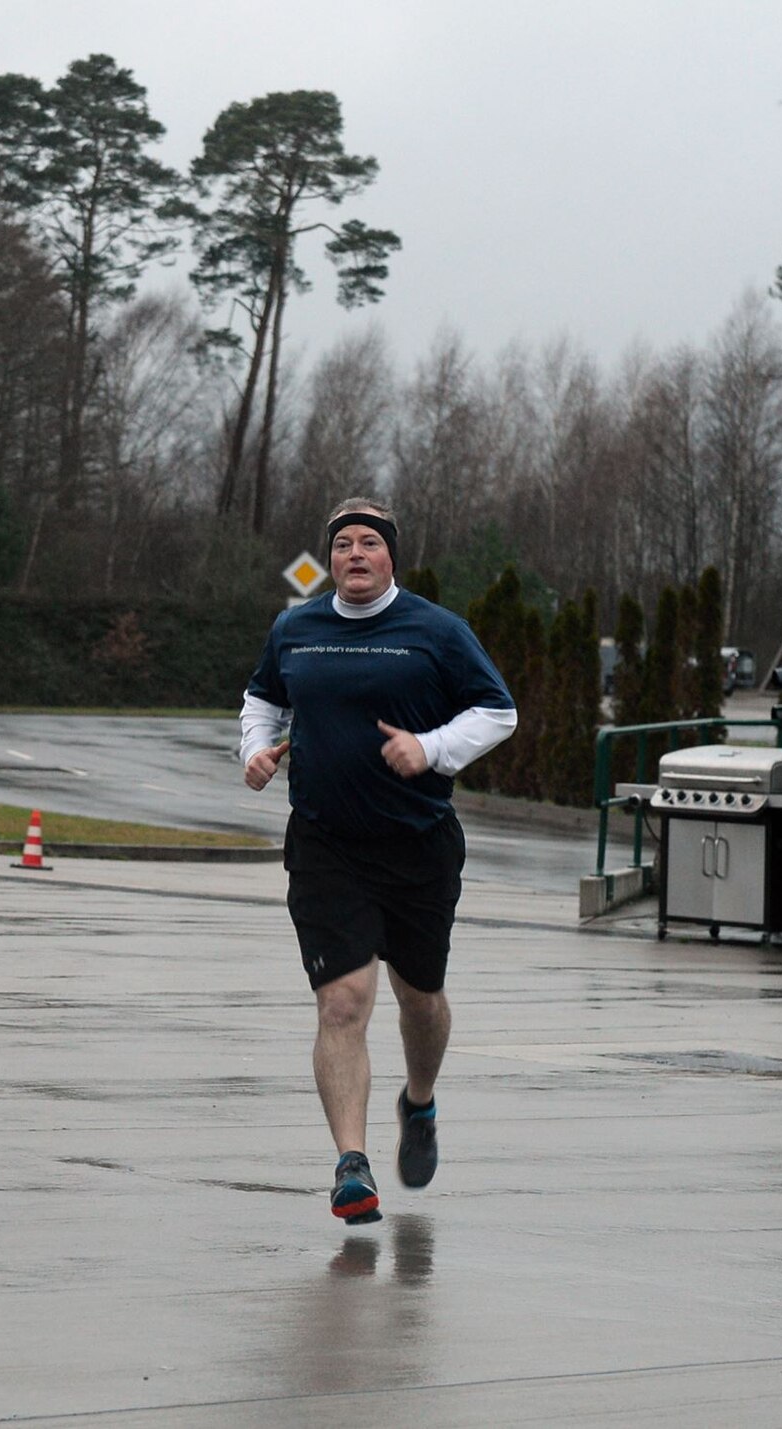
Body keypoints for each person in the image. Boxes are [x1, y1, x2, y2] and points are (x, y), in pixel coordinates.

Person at [240, 498, 516, 1224]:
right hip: (327, 844)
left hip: (419, 845)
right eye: (342, 545)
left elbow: (497, 710)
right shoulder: (296, 627)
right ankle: (350, 1164)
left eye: (369, 543)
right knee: (342, 1002)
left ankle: (418, 1103)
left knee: (419, 999)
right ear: (328, 559)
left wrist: (431, 749)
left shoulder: (437, 631)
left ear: (392, 556)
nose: (355, 554)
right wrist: (255, 751)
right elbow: (261, 697)